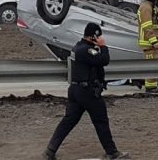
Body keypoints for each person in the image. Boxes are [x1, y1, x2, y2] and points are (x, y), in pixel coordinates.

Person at [43, 23, 129, 160]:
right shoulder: (87, 50)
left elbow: (95, 67)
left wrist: (101, 81)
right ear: (93, 36)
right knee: (101, 121)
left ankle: (50, 150)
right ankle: (112, 152)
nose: (100, 38)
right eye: (98, 35)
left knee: (68, 121)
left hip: (76, 91)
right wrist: (103, 46)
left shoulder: (79, 47)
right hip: (87, 92)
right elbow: (104, 60)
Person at [137, 0, 158, 93]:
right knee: (152, 65)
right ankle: (150, 87)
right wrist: (154, 41)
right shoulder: (146, 7)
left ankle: (152, 86)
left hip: (153, 42)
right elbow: (147, 26)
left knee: (154, 64)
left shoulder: (149, 6)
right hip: (150, 43)